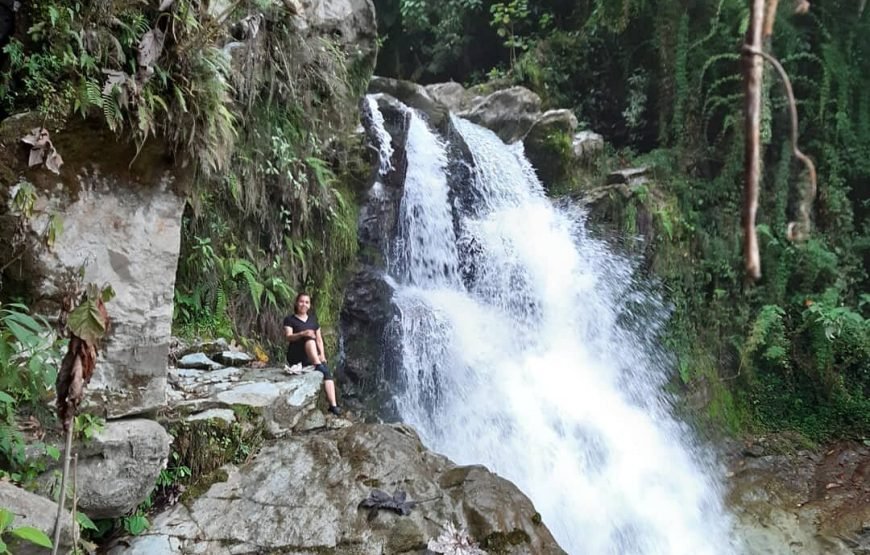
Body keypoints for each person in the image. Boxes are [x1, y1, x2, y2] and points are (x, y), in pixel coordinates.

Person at [284, 292, 342, 416]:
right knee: (310, 340)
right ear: (296, 303)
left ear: (309, 305)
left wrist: (323, 355)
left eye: (307, 302)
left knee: (327, 373)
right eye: (301, 301)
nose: (303, 304)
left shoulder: (313, 320)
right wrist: (302, 334)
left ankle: (333, 406)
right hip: (296, 354)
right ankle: (317, 364)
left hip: (312, 354)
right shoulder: (290, 320)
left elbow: (319, 340)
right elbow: (288, 337)